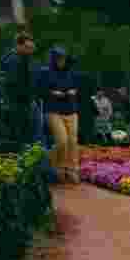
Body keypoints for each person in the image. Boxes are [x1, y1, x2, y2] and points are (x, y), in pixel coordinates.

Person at [37, 46, 82, 184]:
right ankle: (58, 168)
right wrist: (52, 93)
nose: (61, 61)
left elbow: (78, 87)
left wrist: (74, 91)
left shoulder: (71, 72)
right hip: (53, 110)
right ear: (53, 59)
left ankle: (72, 170)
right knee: (62, 141)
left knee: (72, 141)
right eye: (58, 58)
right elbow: (39, 90)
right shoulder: (45, 72)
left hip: (71, 109)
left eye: (63, 58)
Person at [1, 31, 37, 147]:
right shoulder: (12, 60)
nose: (30, 50)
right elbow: (12, 83)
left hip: (24, 103)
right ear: (19, 45)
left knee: (26, 135)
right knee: (18, 137)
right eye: (27, 47)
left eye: (31, 48)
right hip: (16, 104)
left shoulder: (24, 58)